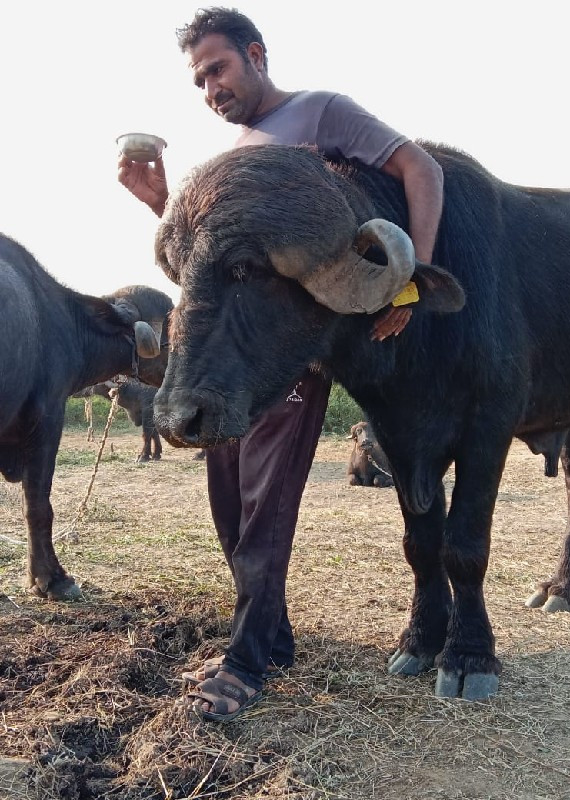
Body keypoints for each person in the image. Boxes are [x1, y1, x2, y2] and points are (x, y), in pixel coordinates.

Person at [118, 6, 444, 722]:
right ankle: (272, 639)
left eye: (218, 69)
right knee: (230, 503)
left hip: (290, 357)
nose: (210, 89)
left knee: (266, 506)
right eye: (199, 79)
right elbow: (226, 265)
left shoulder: (321, 111)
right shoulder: (237, 148)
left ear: (256, 54)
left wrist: (410, 277)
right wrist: (161, 205)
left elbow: (416, 165)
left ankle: (245, 660)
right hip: (226, 360)